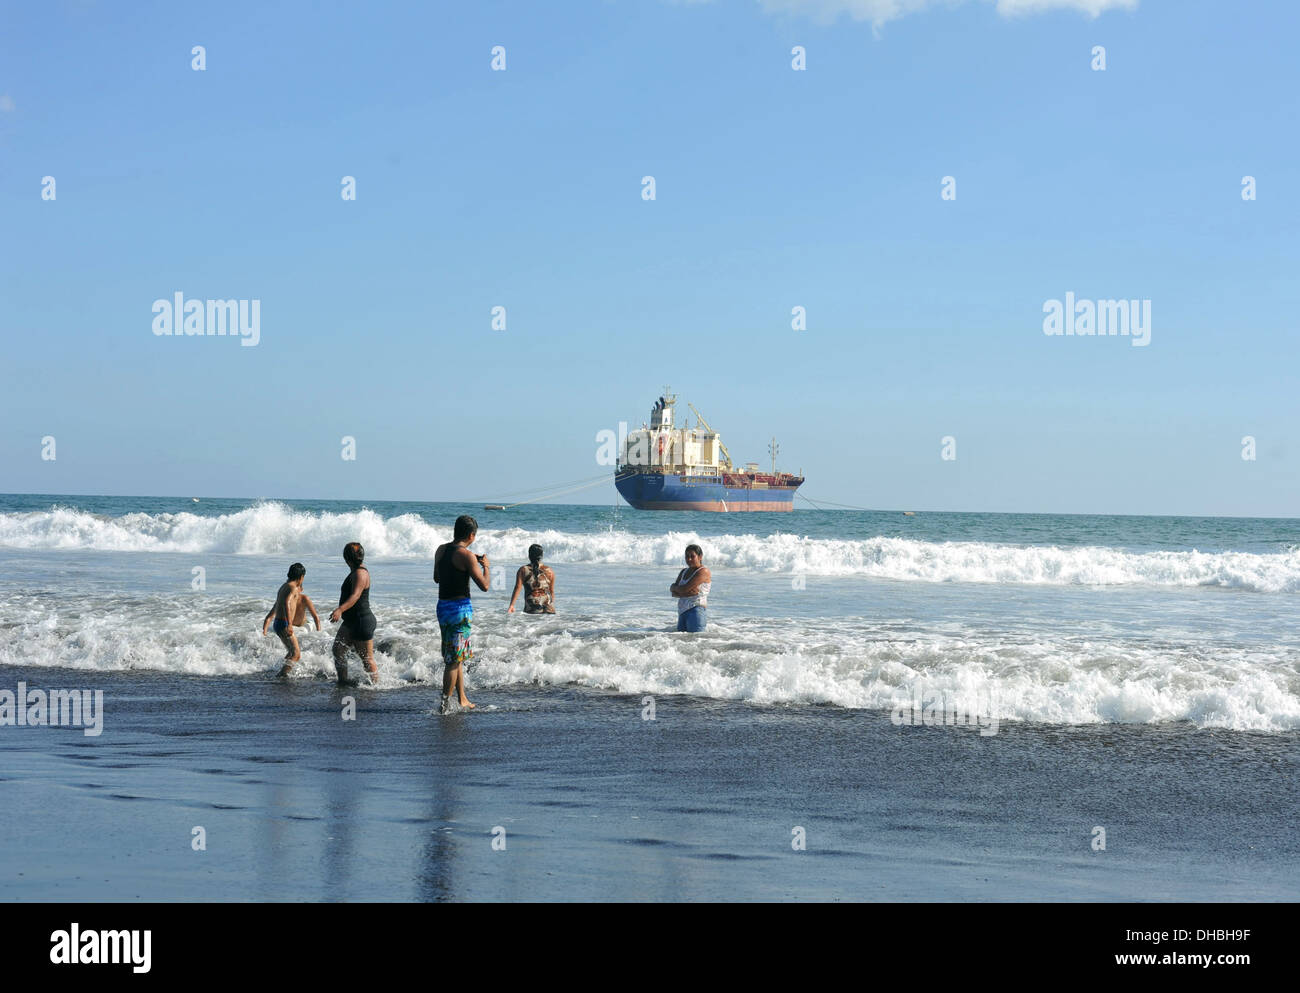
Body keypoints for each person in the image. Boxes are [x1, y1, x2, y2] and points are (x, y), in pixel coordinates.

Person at [433, 515, 489, 713]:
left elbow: (436, 578)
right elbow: (485, 586)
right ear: (471, 535)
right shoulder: (467, 555)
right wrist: (486, 567)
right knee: (454, 660)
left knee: (457, 657)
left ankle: (462, 698)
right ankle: (444, 704)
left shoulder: (441, 549)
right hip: (460, 611)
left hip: (443, 607)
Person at [329, 542, 379, 687]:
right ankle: (343, 681)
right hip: (352, 621)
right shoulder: (356, 571)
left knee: (367, 659)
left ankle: (376, 687)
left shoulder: (360, 573)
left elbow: (355, 596)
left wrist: (340, 610)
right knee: (338, 650)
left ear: (346, 558)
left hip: (361, 620)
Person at [262, 562, 321, 676]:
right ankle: (281, 675)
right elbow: (286, 603)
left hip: (278, 623)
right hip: (284, 623)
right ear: (301, 577)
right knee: (296, 654)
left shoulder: (283, 586)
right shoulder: (293, 587)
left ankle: (279, 670)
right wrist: (289, 624)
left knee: (290, 652)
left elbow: (279, 604)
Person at [670, 543, 711, 632]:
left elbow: (683, 589)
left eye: (692, 556)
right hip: (682, 611)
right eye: (687, 556)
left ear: (700, 557)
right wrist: (677, 589)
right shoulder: (684, 571)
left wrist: (677, 589)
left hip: (696, 610)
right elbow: (673, 592)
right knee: (681, 642)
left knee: (696, 641)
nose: (689, 559)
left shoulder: (703, 571)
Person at [507, 543, 555, 614]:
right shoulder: (550, 571)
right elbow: (551, 592)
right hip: (549, 609)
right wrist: (551, 605)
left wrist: (512, 605)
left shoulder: (523, 570)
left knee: (531, 625)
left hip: (532, 609)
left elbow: (517, 588)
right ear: (541, 556)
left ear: (529, 555)